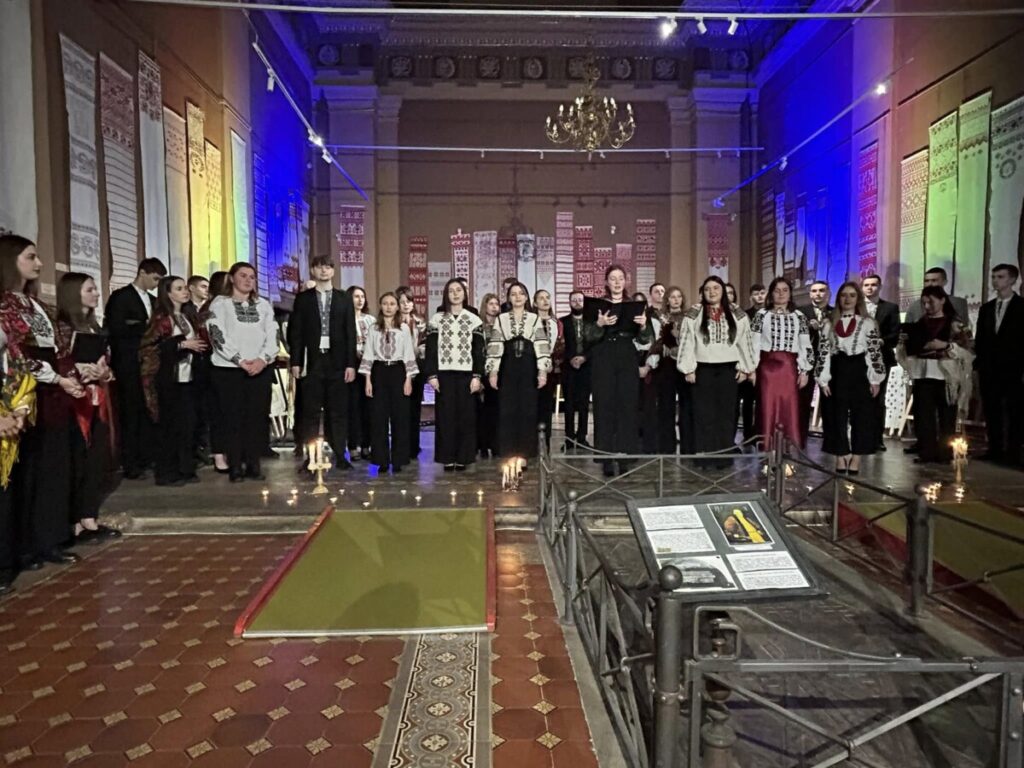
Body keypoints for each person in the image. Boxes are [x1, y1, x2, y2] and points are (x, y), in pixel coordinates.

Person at [0, 235, 83, 568]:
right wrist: (55, 378)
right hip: (21, 392)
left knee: (52, 466)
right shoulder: (5, 306)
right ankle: (21, 547)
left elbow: (59, 348)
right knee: (24, 472)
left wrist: (70, 375)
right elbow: (17, 356)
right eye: (31, 257)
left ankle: (48, 539)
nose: (39, 263)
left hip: (51, 394)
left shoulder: (37, 305)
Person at [55, 273, 118, 543]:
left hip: (96, 397)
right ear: (74, 293)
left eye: (95, 289)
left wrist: (104, 372)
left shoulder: (95, 327)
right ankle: (75, 521)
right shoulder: (62, 327)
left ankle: (89, 517)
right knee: (77, 459)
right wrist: (77, 370)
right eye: (89, 290)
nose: (96, 294)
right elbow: (59, 362)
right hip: (73, 401)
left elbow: (106, 361)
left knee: (96, 457)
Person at [207, 263, 278, 482]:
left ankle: (253, 464)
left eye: (252, 277)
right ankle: (235, 465)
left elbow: (272, 334)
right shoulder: (221, 304)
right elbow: (216, 334)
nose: (248, 280)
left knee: (256, 417)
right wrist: (238, 359)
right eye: (243, 276)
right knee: (232, 418)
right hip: (229, 370)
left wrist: (263, 359)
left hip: (259, 369)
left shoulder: (263, 305)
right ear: (231, 278)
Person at [287, 257, 357, 471]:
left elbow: (350, 333)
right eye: (319, 267)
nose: (324, 271)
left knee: (338, 410)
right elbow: (296, 332)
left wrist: (350, 364)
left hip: (337, 361)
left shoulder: (344, 298)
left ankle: (340, 453)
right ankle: (310, 456)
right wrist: (296, 361)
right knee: (310, 410)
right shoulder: (303, 299)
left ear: (333, 271)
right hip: (312, 360)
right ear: (312, 270)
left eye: (328, 267)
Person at [582, 265, 653, 476]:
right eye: (612, 278)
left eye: (620, 278)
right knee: (604, 405)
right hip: (603, 354)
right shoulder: (596, 306)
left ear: (625, 281)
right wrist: (600, 323)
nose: (616, 282)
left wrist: (643, 325)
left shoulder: (634, 305)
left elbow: (645, 339)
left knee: (627, 405)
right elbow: (587, 336)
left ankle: (625, 456)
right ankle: (605, 457)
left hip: (626, 353)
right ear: (606, 282)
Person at [139, 276, 208, 486]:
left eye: (185, 288)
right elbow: (150, 348)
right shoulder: (162, 320)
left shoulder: (188, 317)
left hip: (189, 377)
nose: (184, 292)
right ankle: (167, 472)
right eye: (179, 289)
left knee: (188, 424)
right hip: (169, 379)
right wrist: (181, 345)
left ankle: (185, 467)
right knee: (170, 426)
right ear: (167, 293)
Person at [677, 276, 756, 456]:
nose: (711, 292)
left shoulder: (736, 312)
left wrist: (745, 367)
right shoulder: (695, 312)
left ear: (722, 291)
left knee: (726, 413)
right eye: (707, 289)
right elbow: (687, 341)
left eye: (716, 288)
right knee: (703, 414)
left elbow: (745, 341)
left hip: (728, 370)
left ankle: (723, 456)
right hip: (703, 369)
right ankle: (704, 456)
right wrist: (688, 368)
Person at [815, 282, 885, 474]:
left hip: (859, 369)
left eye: (852, 295)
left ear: (858, 299)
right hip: (838, 368)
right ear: (838, 298)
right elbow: (823, 351)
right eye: (844, 295)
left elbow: (873, 351)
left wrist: (875, 379)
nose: (847, 299)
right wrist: (823, 379)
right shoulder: (829, 323)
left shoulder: (867, 323)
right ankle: (840, 454)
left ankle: (857, 456)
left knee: (862, 416)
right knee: (835, 415)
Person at [105, 257, 167, 478]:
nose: (156, 284)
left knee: (148, 410)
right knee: (130, 412)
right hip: (129, 363)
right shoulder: (121, 297)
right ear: (142, 272)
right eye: (155, 279)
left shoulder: (154, 300)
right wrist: (145, 329)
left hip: (150, 364)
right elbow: (116, 328)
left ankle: (147, 456)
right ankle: (131, 463)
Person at [897, 286, 973, 464]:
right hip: (922, 373)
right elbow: (907, 352)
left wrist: (946, 346)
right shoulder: (920, 323)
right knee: (923, 415)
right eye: (924, 303)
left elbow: (968, 350)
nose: (927, 306)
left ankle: (945, 452)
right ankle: (927, 451)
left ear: (942, 300)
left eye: (931, 302)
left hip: (947, 375)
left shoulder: (955, 325)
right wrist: (905, 343)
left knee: (947, 415)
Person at [0, 236, 38, 593]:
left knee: (13, 488)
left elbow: (18, 365)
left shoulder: (17, 311)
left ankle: (11, 556)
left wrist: (21, 406)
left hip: (14, 407)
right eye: (30, 257)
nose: (38, 264)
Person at [425, 279, 486, 470]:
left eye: (459, 290)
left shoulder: (474, 319)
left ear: (464, 294)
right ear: (446, 294)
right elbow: (431, 349)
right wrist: (432, 375)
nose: (455, 294)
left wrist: (477, 376)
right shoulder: (437, 319)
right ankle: (447, 457)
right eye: (451, 291)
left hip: (466, 375)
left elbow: (478, 351)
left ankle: (464, 457)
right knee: (445, 417)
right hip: (444, 374)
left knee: (466, 417)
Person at [487, 283, 551, 461]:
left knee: (528, 408)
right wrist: (493, 372)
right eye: (513, 294)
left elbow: (541, 345)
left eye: (521, 293)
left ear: (526, 297)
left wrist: (542, 371)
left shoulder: (534, 318)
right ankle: (508, 451)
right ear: (508, 298)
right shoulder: (501, 319)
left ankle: (526, 451)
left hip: (528, 366)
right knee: (507, 409)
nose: (517, 297)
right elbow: (495, 346)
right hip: (507, 366)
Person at [751, 277, 813, 449]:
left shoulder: (799, 317)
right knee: (767, 407)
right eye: (777, 290)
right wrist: (751, 369)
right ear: (771, 293)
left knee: (789, 407)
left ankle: (788, 452)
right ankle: (767, 451)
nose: (781, 294)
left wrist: (805, 371)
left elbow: (805, 344)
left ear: (790, 293)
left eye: (785, 290)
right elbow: (754, 343)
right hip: (767, 368)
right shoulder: (761, 315)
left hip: (789, 368)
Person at [360, 292, 418, 473]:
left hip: (398, 371)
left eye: (392, 303)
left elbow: (408, 353)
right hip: (379, 371)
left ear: (397, 306)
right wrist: (368, 380)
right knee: (379, 417)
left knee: (400, 416)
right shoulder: (373, 328)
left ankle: (399, 458)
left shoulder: (404, 328)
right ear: (380, 306)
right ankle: (381, 460)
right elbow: (368, 353)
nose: (388, 307)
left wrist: (408, 379)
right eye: (385, 303)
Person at [973, 263, 1024, 465]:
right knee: (991, 409)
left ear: (1012, 280)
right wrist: (979, 364)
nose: (995, 281)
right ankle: (994, 448)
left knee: (1014, 411)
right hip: (989, 368)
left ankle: (1013, 452)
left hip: (1013, 368)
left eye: (1000, 277)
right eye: (994, 277)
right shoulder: (986, 308)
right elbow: (981, 339)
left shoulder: (1021, 307)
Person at [860, 274, 900, 452]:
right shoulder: (855, 308)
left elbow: (895, 333)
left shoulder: (890, 308)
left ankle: (877, 439)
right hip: (858, 359)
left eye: (873, 285)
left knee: (878, 399)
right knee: (860, 399)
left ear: (880, 287)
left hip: (881, 359)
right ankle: (860, 436)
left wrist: (881, 341)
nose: (870, 288)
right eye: (866, 285)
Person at [199, 271, 228, 472]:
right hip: (214, 364)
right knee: (218, 412)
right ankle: (218, 454)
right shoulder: (211, 308)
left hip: (231, 366)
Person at [652, 286, 686, 453]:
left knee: (686, 405)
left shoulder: (688, 317)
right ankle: (666, 445)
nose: (676, 300)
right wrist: (663, 347)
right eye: (672, 297)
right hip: (666, 365)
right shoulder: (661, 317)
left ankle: (688, 445)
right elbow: (654, 339)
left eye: (679, 296)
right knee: (666, 405)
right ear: (667, 300)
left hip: (684, 364)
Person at [797, 280, 832, 433]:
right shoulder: (800, 312)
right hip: (806, 362)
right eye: (814, 291)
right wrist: (809, 328)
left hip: (827, 362)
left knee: (829, 402)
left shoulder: (835, 313)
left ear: (828, 293)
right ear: (810, 294)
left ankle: (830, 438)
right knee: (803, 401)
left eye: (821, 290)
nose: (818, 294)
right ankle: (800, 436)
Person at [559, 290, 591, 451]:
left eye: (580, 300)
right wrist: (571, 358)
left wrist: (584, 357)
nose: (577, 303)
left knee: (584, 404)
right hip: (568, 367)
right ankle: (569, 439)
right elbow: (560, 345)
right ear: (569, 302)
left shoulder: (591, 322)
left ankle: (582, 437)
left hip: (587, 367)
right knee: (569, 404)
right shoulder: (562, 322)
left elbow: (594, 344)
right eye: (574, 300)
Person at [396, 286, 427, 459]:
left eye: (409, 301)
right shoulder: (393, 322)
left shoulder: (420, 321)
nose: (406, 305)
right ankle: (400, 445)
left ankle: (414, 446)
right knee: (400, 409)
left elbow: (424, 343)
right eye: (402, 302)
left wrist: (416, 354)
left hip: (416, 368)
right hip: (398, 369)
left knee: (414, 408)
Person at [736, 283, 767, 443]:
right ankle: (747, 434)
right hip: (748, 362)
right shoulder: (745, 315)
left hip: (766, 362)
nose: (759, 296)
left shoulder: (771, 313)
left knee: (763, 400)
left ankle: (762, 432)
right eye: (756, 293)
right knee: (748, 400)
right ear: (750, 297)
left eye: (762, 293)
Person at [347, 285, 374, 461]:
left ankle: (366, 445)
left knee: (368, 407)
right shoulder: (344, 318)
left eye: (362, 296)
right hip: (352, 365)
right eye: (356, 296)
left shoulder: (371, 320)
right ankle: (352, 446)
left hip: (369, 366)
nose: (360, 300)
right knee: (353, 407)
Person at [533, 289, 559, 453]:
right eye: (541, 298)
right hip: (532, 369)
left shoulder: (555, 324)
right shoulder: (531, 321)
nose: (545, 301)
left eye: (547, 297)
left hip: (549, 370)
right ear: (535, 303)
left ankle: (546, 442)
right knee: (532, 405)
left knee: (546, 406)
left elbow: (558, 346)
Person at [906, 267, 971, 331]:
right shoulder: (914, 306)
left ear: (945, 282)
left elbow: (963, 329)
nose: (930, 284)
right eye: (927, 281)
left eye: (934, 280)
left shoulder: (958, 303)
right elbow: (906, 332)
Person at [477, 293, 501, 458]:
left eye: (496, 304)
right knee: (482, 411)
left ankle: (496, 444)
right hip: (482, 371)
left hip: (497, 372)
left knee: (496, 410)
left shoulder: (501, 325)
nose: (494, 307)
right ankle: (483, 445)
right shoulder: (479, 326)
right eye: (491, 304)